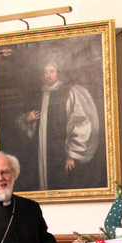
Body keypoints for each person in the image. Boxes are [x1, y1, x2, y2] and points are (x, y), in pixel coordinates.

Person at [16, 60, 100, 191]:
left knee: (62, 183)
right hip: (40, 153)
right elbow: (27, 128)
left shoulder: (70, 92)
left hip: (62, 153)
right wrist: (27, 119)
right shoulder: (38, 95)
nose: (48, 75)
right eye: (45, 72)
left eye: (51, 71)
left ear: (58, 73)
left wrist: (72, 154)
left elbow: (81, 124)